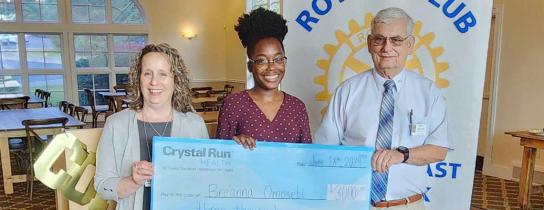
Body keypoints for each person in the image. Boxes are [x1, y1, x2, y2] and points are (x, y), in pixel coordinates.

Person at [314, 7, 449, 210]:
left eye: (396, 40)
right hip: (353, 203)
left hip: (407, 205)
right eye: (379, 39)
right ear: (369, 44)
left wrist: (400, 154)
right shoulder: (347, 91)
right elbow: (325, 150)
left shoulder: (429, 92)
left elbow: (439, 150)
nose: (387, 48)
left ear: (410, 45)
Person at [95, 43, 209, 210]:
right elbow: (102, 186)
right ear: (138, 78)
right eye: (147, 73)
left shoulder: (195, 125)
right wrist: (133, 181)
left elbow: (205, 181)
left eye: (163, 74)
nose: (154, 82)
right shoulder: (115, 124)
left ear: (175, 79)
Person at [216, 8, 312, 148]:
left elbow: (307, 158)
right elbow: (220, 158)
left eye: (278, 59)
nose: (272, 67)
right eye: (262, 60)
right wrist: (235, 145)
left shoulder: (297, 107)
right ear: (250, 66)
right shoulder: (233, 105)